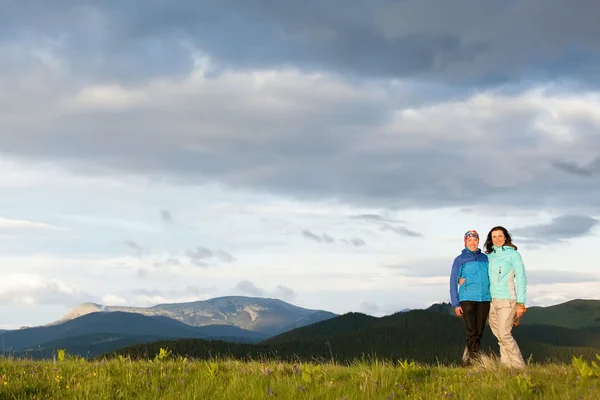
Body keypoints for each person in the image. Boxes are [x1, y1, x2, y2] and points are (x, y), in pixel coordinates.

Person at [484, 226, 527, 369]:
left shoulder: (513, 255)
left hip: (507, 299)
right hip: (491, 301)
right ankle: (507, 369)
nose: (497, 239)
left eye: (500, 236)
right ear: (490, 239)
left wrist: (520, 303)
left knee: (505, 335)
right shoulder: (489, 257)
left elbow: (521, 278)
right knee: (499, 337)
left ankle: (520, 368)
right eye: (494, 237)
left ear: (506, 237)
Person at [449, 230, 491, 366]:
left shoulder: (485, 258)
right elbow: (452, 282)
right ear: (465, 242)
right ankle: (476, 360)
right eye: (469, 240)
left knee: (479, 331)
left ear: (478, 242)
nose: (472, 243)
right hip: (467, 298)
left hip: (484, 299)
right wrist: (455, 304)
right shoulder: (459, 260)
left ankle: (467, 360)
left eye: (475, 240)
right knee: (472, 330)